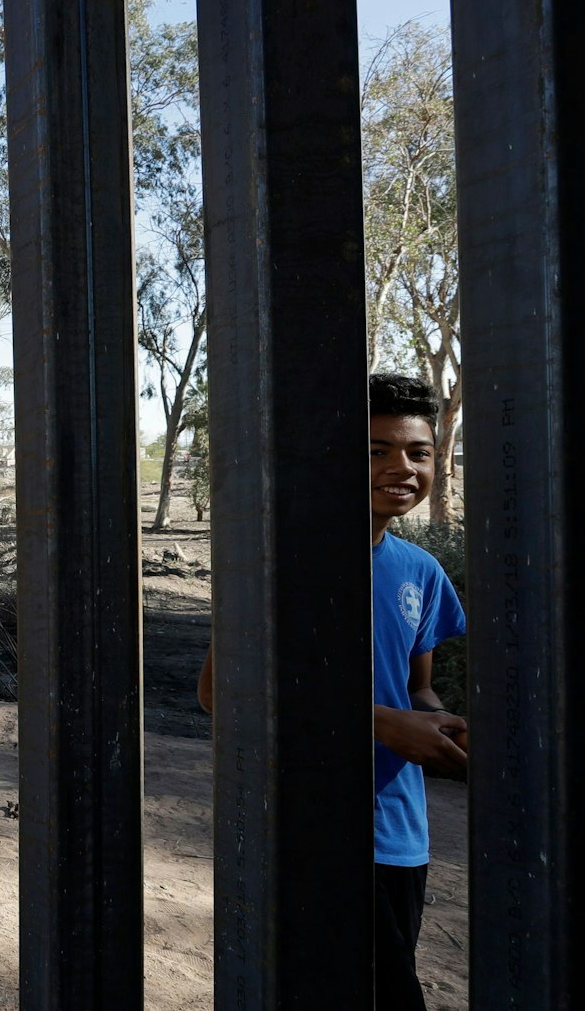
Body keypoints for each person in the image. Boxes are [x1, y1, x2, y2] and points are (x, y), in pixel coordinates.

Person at [195, 372, 467, 1010]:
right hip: (305, 825)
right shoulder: (275, 559)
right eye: (375, 449)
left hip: (400, 835)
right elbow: (218, 693)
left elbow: (417, 692)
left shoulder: (419, 571)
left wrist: (447, 725)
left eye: (418, 452)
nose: (401, 467)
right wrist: (380, 724)